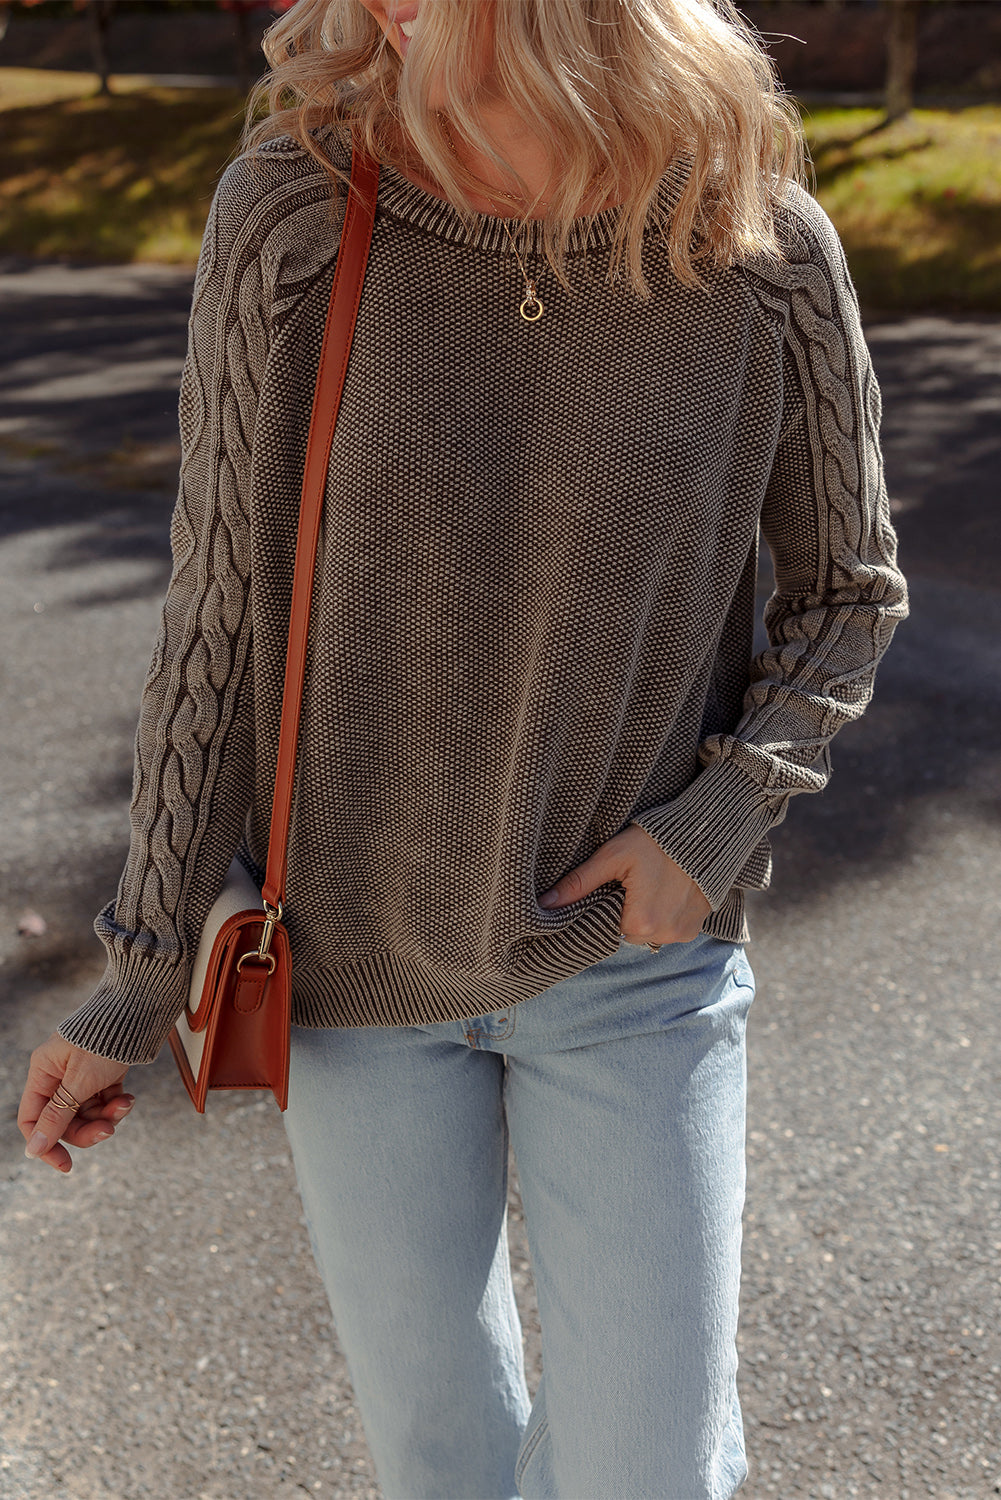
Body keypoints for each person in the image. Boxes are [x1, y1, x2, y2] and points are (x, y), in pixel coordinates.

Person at [18, 1, 908, 1495]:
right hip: (351, 974)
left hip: (628, 972)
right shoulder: (298, 208)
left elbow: (847, 595)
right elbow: (219, 619)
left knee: (649, 1470)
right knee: (439, 1463)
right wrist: (145, 972)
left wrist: (717, 823)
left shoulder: (750, 241)